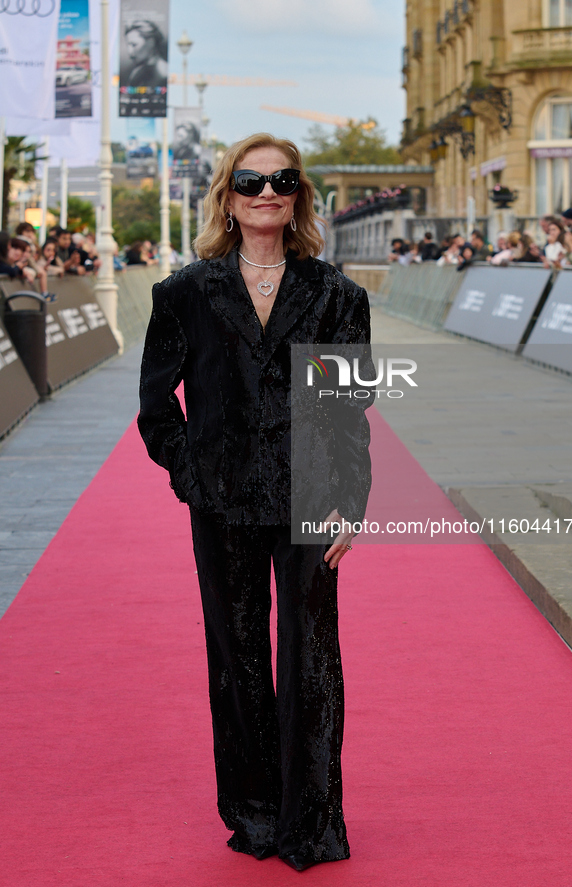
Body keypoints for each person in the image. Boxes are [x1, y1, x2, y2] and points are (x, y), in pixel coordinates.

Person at [138, 133, 373, 872]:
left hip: (310, 495)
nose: (266, 192)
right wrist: (193, 473)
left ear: (299, 194)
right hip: (223, 500)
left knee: (312, 658)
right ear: (228, 197)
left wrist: (349, 501)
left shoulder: (338, 293)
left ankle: (312, 822)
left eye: (282, 180)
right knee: (235, 655)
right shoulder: (182, 292)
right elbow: (155, 407)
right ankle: (255, 811)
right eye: (249, 181)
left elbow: (349, 409)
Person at [123, 20, 168, 88]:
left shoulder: (163, 74)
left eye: (134, 45)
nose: (130, 52)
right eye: (128, 46)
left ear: (151, 43)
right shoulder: (136, 73)